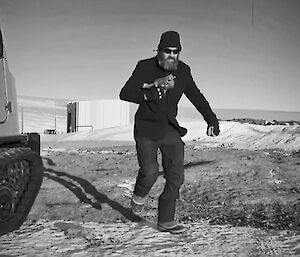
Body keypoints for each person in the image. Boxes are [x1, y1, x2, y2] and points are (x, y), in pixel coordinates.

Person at [119, 31, 220, 234]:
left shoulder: (183, 71)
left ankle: (166, 220)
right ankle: (139, 196)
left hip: (169, 128)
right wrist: (150, 92)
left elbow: (196, 96)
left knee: (176, 176)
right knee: (149, 172)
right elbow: (125, 92)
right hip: (146, 128)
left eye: (176, 52)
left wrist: (211, 118)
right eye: (167, 51)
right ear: (159, 50)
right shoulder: (144, 66)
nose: (172, 55)